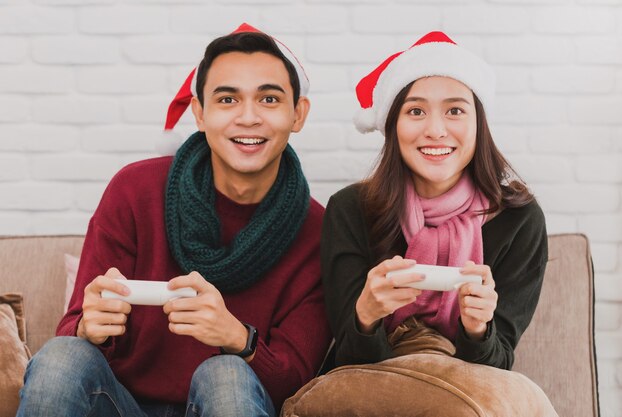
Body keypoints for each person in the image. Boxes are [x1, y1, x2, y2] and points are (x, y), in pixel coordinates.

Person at [17, 23, 332, 417]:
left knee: (226, 375)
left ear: (298, 114)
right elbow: (74, 333)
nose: (249, 117)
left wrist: (238, 338)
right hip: (119, 405)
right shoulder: (134, 191)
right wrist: (88, 327)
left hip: (232, 403)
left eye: (269, 99)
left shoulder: (317, 232)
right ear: (200, 113)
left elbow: (297, 379)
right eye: (227, 100)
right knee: (62, 354)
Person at [282, 31, 556, 416]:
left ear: (480, 124)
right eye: (416, 111)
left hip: (467, 384)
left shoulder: (518, 220)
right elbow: (347, 358)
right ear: (393, 126)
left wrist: (478, 328)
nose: (436, 130)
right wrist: (366, 314)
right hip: (366, 388)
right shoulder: (351, 210)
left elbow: (496, 363)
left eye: (455, 111)